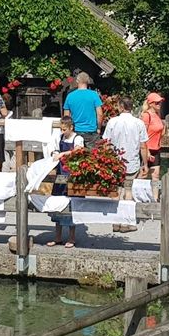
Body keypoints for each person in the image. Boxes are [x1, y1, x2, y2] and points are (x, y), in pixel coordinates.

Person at [103, 96, 149, 232]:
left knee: (116, 191)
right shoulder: (139, 123)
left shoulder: (113, 121)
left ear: (121, 107)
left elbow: (106, 143)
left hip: (115, 161)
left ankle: (116, 221)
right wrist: (145, 164)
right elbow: (143, 146)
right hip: (131, 161)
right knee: (128, 192)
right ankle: (125, 222)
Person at [48, 116, 83, 248]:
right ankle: (57, 236)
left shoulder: (77, 138)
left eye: (64, 129)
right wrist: (55, 153)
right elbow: (56, 149)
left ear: (71, 127)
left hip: (71, 172)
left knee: (71, 204)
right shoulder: (60, 137)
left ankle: (71, 237)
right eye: (61, 129)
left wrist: (63, 154)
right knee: (57, 202)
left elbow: (78, 150)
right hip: (61, 171)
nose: (62, 132)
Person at [62, 72, 103, 148]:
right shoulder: (94, 95)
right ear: (88, 81)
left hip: (76, 131)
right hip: (91, 132)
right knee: (92, 154)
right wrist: (99, 128)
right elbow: (100, 114)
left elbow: (66, 116)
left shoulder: (70, 96)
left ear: (77, 81)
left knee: (76, 154)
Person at [140, 92, 165, 181]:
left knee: (156, 175)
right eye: (157, 102)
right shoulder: (146, 115)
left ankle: (155, 191)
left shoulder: (158, 115)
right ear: (150, 104)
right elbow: (143, 135)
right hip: (147, 149)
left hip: (156, 149)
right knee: (143, 175)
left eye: (160, 102)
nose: (159, 104)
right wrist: (146, 152)